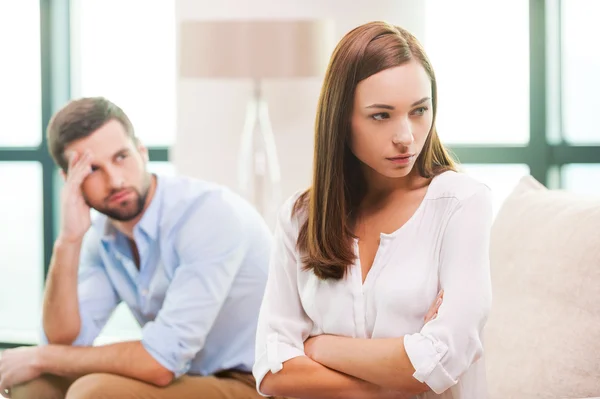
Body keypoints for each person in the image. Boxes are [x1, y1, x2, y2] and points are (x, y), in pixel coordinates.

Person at [253, 21, 493, 399]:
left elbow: (445, 358)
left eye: (419, 111)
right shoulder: (300, 217)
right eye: (381, 115)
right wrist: (397, 374)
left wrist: (319, 347)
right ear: (341, 119)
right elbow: (271, 372)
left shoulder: (461, 203)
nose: (406, 136)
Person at [0, 97, 274, 399]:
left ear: (141, 152)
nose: (115, 180)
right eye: (92, 169)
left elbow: (160, 362)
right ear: (70, 181)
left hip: (254, 383)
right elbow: (65, 340)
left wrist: (39, 356)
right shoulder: (102, 238)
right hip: (186, 377)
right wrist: (68, 240)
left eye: (121, 157)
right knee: (32, 385)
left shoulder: (209, 216)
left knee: (92, 393)